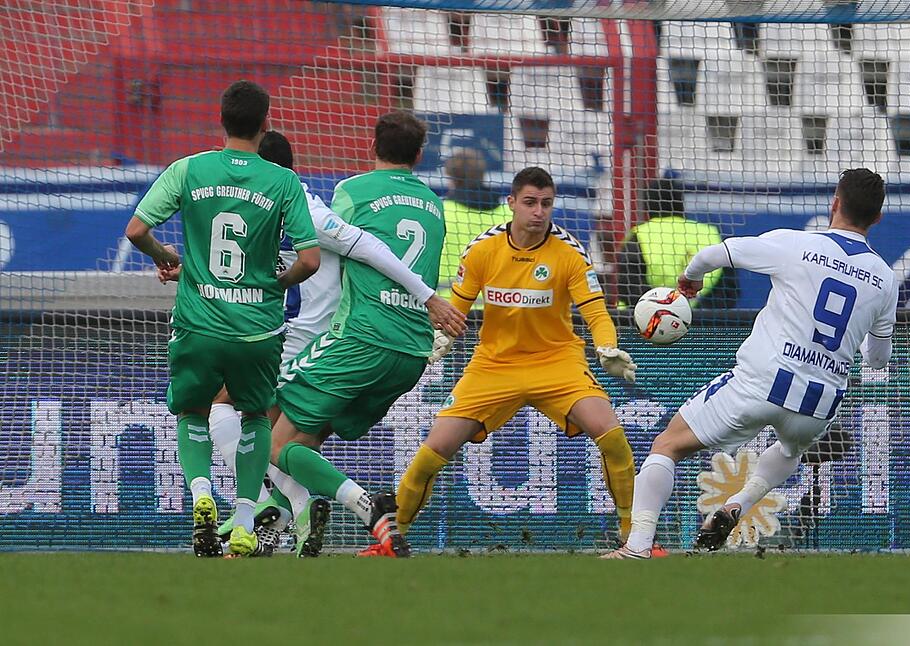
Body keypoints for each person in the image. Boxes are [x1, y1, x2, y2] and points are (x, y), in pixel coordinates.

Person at [603, 168, 897, 559]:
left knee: (667, 444)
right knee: (789, 452)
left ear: (836, 203)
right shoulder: (885, 279)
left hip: (762, 382)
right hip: (819, 403)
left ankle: (638, 545)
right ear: (877, 217)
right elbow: (878, 358)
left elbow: (713, 255)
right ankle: (738, 503)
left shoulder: (796, 244)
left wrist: (690, 280)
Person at [196, 131, 465, 557]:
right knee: (294, 442)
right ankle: (279, 521)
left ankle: (291, 506)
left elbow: (369, 247)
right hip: (371, 343)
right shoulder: (268, 207)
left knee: (233, 411)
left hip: (313, 342)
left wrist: (428, 297)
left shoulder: (310, 209)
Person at [124, 80, 321, 557]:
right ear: (266, 122)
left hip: (198, 323)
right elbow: (310, 260)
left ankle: (201, 494)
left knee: (193, 411)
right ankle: (246, 521)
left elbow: (136, 230)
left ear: (221, 120)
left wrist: (168, 257)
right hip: (257, 329)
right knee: (255, 416)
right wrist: (277, 283)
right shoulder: (283, 181)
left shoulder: (188, 169)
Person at [396, 166, 640, 547]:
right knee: (434, 450)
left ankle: (633, 537)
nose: (539, 212)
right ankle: (393, 537)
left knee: (611, 435)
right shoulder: (483, 250)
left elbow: (596, 313)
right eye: (530, 202)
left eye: (546, 203)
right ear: (511, 202)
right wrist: (443, 336)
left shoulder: (570, 252)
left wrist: (606, 346)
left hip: (557, 363)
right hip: (494, 365)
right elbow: (456, 308)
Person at [268, 111, 447, 559]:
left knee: (268, 430)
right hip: (413, 351)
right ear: (419, 155)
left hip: (361, 339)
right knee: (303, 443)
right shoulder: (434, 203)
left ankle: (367, 506)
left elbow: (344, 244)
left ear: (372, 147)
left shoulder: (351, 191)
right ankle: (284, 524)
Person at [618, 178, 738, 309]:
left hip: (645, 318)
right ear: (680, 202)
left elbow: (628, 287)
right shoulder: (708, 234)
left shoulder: (640, 235)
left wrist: (662, 310)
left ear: (648, 205)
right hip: (703, 318)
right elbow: (727, 291)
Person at [438, 149, 512, 295]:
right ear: (482, 175)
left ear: (451, 178)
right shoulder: (510, 215)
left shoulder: (441, 212)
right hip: (497, 304)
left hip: (448, 305)